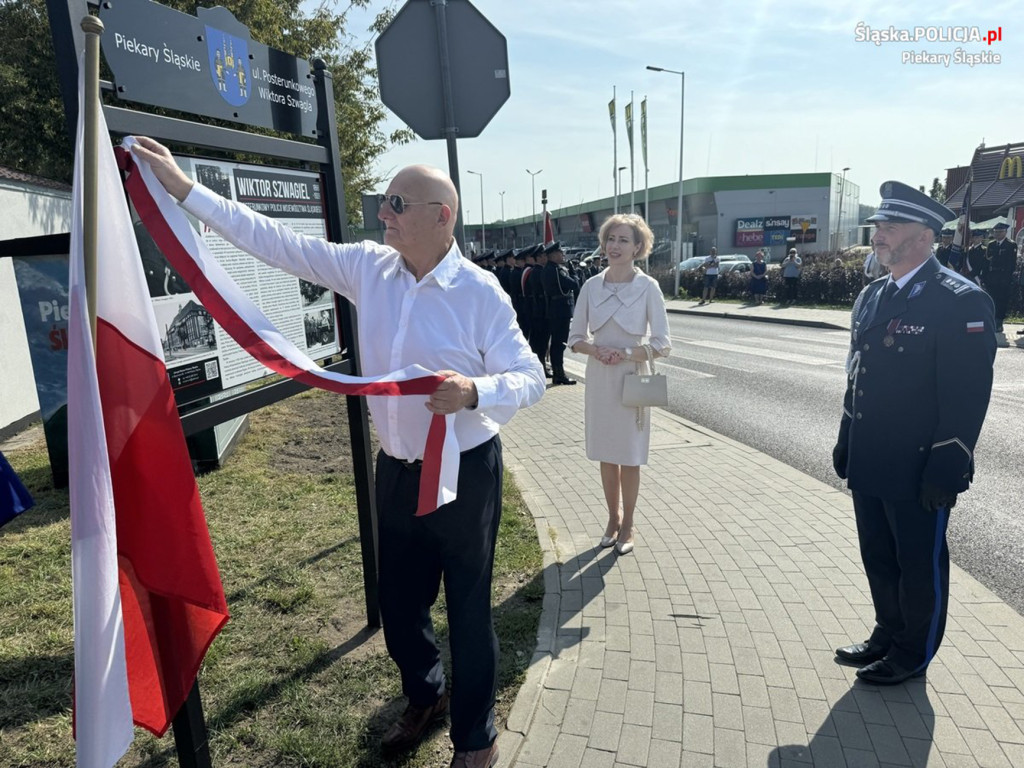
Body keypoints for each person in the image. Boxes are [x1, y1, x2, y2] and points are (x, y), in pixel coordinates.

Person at [130, 136, 545, 768]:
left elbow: (530, 376)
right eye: (383, 201)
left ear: (442, 216)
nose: (384, 214)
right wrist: (185, 189)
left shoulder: (480, 292)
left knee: (468, 608)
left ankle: (475, 738)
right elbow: (275, 242)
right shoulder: (367, 268)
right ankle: (425, 695)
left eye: (397, 203)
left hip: (464, 475)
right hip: (397, 470)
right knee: (401, 606)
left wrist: (474, 391)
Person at [831, 181, 995, 686]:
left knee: (918, 563)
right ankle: (887, 631)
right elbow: (858, 373)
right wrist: (846, 435)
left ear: (925, 236)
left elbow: (967, 396)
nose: (878, 235)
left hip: (920, 462)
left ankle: (913, 652)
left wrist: (949, 462)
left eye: (890, 227)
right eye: (877, 226)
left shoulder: (959, 301)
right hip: (872, 454)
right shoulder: (873, 294)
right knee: (878, 553)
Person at [567, 214, 671, 555]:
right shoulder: (590, 286)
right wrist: (597, 351)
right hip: (600, 378)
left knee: (629, 455)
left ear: (638, 247)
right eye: (611, 239)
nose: (614, 246)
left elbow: (662, 343)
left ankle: (629, 525)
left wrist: (625, 352)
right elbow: (575, 338)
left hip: (632, 379)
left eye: (623, 240)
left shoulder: (648, 287)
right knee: (606, 454)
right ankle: (613, 517)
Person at [542, 241, 580, 385]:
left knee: (557, 343)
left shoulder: (550, 269)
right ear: (552, 255)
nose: (563, 255)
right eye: (560, 253)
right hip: (560, 310)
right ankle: (559, 374)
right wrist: (573, 272)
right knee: (559, 344)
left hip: (556, 309)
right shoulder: (555, 270)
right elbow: (574, 285)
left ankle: (559, 373)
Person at [983, 222, 1018, 332]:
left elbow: (1012, 264)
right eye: (996, 232)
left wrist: (1007, 278)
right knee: (991, 299)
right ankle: (991, 320)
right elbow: (986, 262)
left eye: (1000, 232)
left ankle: (999, 322)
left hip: (1003, 277)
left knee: (1002, 300)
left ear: (1005, 232)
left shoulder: (1011, 245)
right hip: (992, 277)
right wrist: (985, 277)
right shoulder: (991, 244)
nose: (997, 234)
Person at [527, 245, 552, 377]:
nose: (545, 258)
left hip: (540, 310)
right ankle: (541, 367)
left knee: (542, 341)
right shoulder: (537, 272)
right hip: (540, 311)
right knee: (540, 342)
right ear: (538, 258)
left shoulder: (538, 271)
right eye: (542, 256)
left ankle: (542, 366)